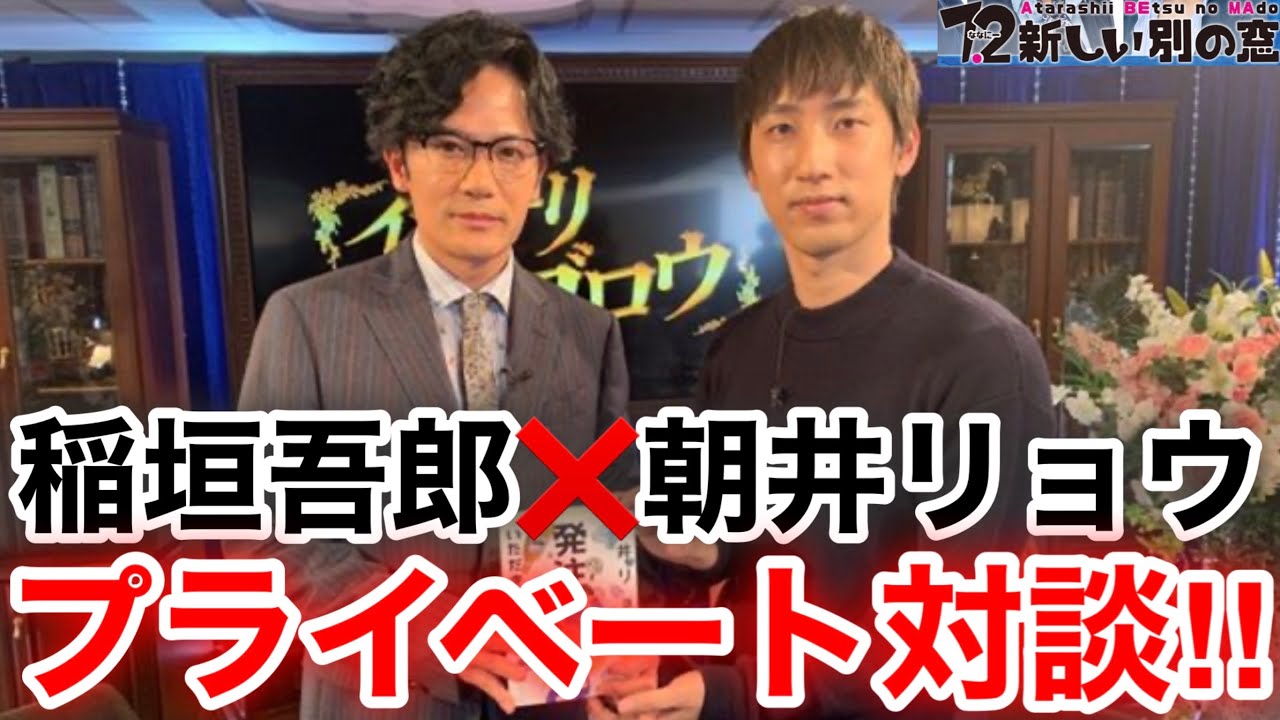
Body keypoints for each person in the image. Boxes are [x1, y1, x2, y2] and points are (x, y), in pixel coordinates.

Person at [605, 5, 1055, 720]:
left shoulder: (981, 354)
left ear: (905, 145)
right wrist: (701, 551)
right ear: (751, 166)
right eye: (782, 129)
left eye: (846, 122)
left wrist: (734, 696)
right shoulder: (737, 348)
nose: (813, 162)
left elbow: (962, 635)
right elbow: (740, 542)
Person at [236, 11, 634, 720]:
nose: (481, 181)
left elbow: (604, 515)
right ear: (399, 162)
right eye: (450, 145)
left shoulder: (589, 331)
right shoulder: (307, 320)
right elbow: (268, 541)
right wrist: (435, 634)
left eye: (508, 151)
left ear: (539, 172)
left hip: (548, 698)